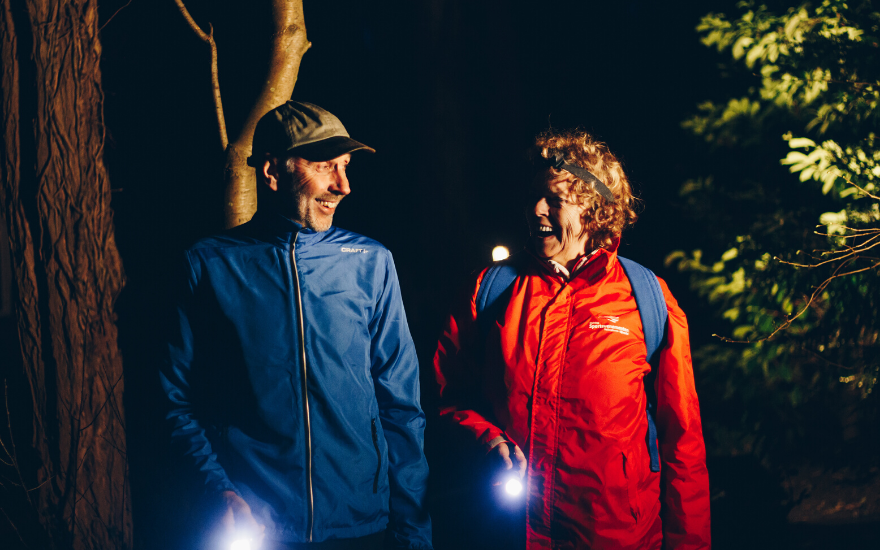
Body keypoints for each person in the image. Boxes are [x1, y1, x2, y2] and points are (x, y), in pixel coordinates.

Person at [160, 101, 432, 550]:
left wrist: (414, 532)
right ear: (272, 172)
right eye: (325, 167)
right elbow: (175, 399)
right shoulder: (209, 265)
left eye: (345, 167)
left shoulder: (371, 262)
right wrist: (217, 490)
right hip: (257, 527)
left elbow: (401, 406)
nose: (342, 185)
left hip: (363, 525)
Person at [433, 128, 711, 549]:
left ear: (594, 212)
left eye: (554, 200)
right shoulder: (489, 291)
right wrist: (486, 439)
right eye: (534, 196)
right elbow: (445, 397)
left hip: (619, 538)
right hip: (510, 534)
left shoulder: (648, 298)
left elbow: (683, 443)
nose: (536, 209)